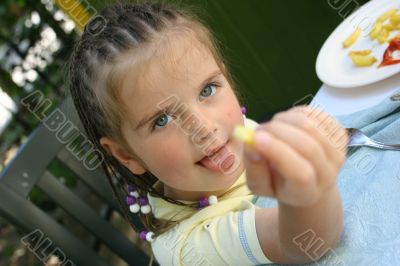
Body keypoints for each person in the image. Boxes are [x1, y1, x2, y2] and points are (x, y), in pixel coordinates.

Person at [67, 2, 348, 265]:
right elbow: (304, 243)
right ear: (126, 155)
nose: (201, 127)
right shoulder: (187, 246)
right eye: (163, 120)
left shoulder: (238, 134)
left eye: (207, 90)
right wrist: (314, 189)